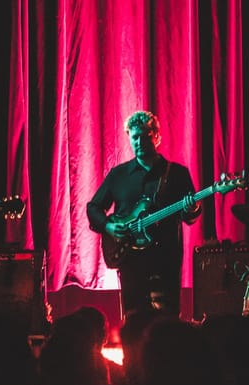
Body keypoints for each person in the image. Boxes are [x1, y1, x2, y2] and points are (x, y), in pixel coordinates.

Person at [86, 110, 201, 320]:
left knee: (168, 319)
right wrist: (109, 227)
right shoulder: (118, 175)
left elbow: (189, 217)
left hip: (165, 258)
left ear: (156, 137)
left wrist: (192, 209)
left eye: (144, 136)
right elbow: (93, 208)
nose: (138, 141)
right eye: (134, 136)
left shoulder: (177, 174)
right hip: (131, 260)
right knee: (132, 318)